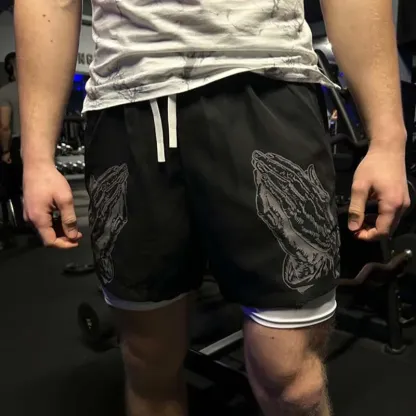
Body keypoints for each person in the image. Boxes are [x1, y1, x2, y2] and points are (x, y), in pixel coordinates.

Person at [15, 1, 410, 415]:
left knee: (292, 379)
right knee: (147, 362)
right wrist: (37, 158)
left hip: (265, 83)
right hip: (126, 104)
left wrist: (387, 137)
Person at [0, 52, 25, 235]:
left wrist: (5, 151)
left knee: (13, 188)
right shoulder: (36, 89)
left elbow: (4, 126)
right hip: (37, 143)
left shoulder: (6, 92)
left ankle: (21, 225)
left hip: (16, 145)